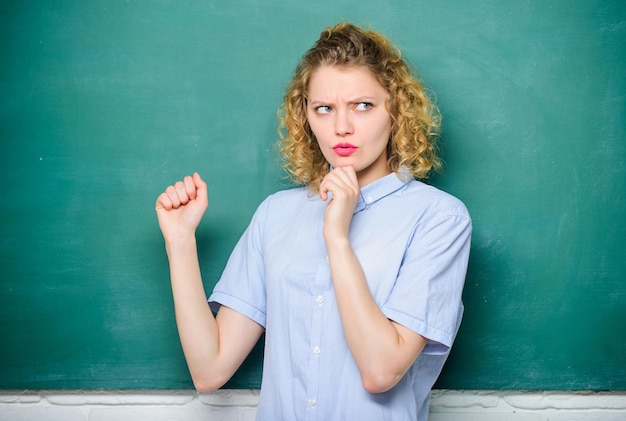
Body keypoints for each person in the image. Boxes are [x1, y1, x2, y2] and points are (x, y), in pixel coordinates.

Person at [155, 22, 472, 421]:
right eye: (324, 108)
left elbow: (381, 370)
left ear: (397, 109)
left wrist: (336, 237)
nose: (342, 127)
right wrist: (180, 241)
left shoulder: (438, 217)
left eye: (363, 105)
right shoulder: (276, 213)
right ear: (306, 115)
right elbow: (210, 369)